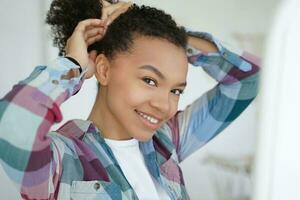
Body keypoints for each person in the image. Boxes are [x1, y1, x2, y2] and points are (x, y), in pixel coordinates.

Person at [0, 0, 259, 199]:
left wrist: (175, 37)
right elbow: (11, 125)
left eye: (175, 91)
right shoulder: (64, 160)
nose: (164, 106)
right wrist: (73, 66)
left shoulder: (166, 143)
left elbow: (250, 78)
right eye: (149, 80)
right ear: (103, 69)